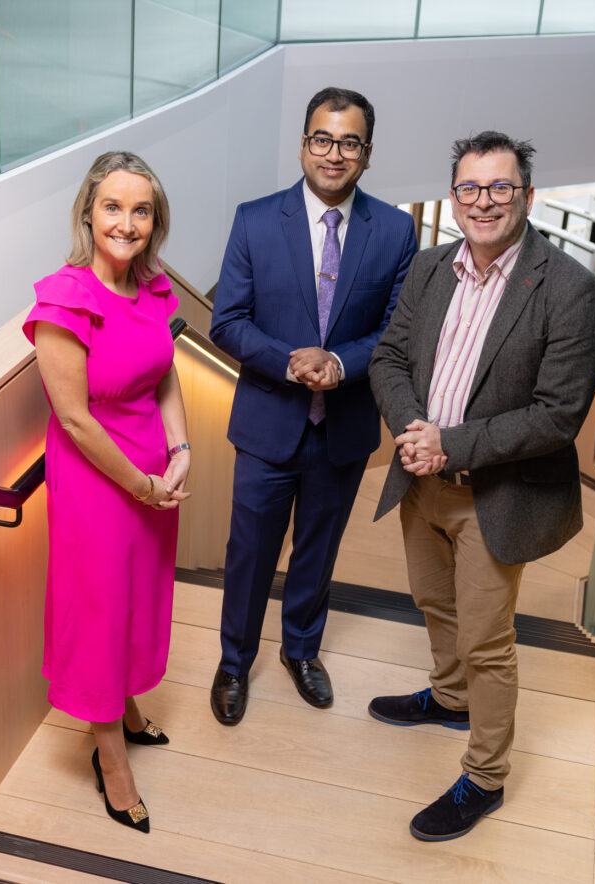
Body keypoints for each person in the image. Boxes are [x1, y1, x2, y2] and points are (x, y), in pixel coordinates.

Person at [367, 131, 595, 841]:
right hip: (422, 477)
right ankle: (448, 699)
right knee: (431, 601)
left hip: (496, 493)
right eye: (470, 188)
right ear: (454, 197)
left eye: (500, 188)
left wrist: (450, 444)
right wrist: (414, 428)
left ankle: (486, 776)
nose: (484, 202)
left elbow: (559, 415)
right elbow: (388, 358)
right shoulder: (432, 267)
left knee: (487, 640)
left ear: (526, 196)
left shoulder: (567, 287)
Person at [208, 87, 418, 724]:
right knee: (250, 552)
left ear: (368, 154)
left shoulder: (396, 228)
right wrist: (292, 361)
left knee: (318, 549)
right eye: (322, 139)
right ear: (304, 144)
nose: (334, 153)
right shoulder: (253, 219)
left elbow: (395, 329)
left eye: (349, 142)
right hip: (268, 421)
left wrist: (341, 364)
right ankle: (235, 661)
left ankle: (301, 650)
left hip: (344, 428)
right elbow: (228, 321)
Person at [23, 151, 191, 833]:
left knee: (137, 594)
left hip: (153, 473)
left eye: (140, 210)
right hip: (100, 481)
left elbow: (165, 377)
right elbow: (72, 418)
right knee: (98, 608)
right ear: (88, 213)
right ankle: (110, 759)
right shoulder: (67, 295)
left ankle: (125, 704)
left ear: (155, 221)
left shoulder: (150, 291)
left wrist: (180, 449)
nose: (126, 222)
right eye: (113, 207)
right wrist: (144, 485)